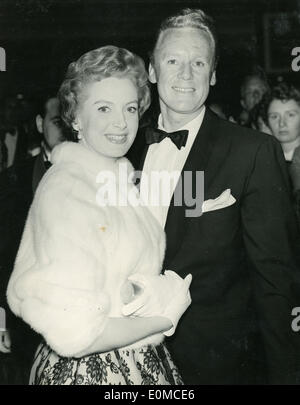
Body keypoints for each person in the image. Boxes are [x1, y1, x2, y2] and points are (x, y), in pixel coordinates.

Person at [127, 8, 300, 384]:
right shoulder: (120, 150)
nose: (186, 74)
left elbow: (275, 281)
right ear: (152, 71)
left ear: (214, 73)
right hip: (127, 362)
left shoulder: (251, 152)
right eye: (173, 60)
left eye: (198, 62)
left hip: (217, 367)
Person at [6, 45, 192, 385]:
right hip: (93, 373)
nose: (121, 122)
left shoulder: (116, 178)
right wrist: (164, 317)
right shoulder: (69, 189)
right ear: (75, 117)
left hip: (134, 358)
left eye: (130, 108)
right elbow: (75, 332)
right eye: (103, 108)